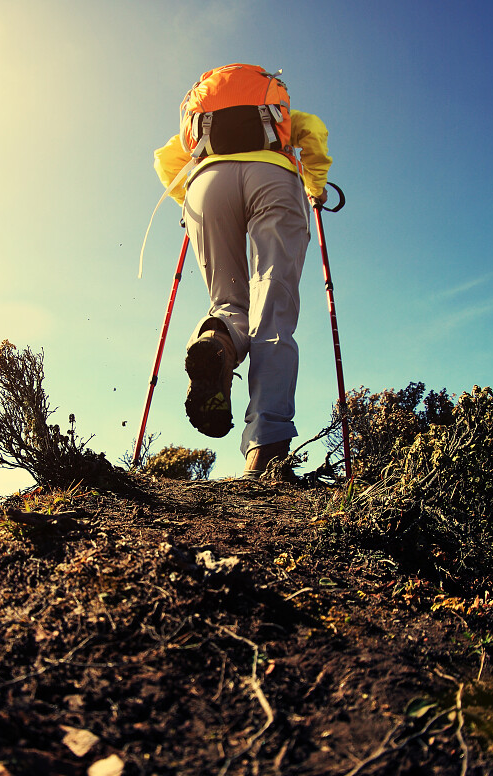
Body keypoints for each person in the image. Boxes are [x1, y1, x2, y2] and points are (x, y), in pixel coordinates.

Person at [154, 65, 331, 478]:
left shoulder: (198, 127)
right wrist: (315, 187)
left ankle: (218, 340)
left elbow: (165, 160)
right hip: (272, 177)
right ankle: (267, 450)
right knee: (274, 311)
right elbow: (315, 132)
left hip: (206, 183)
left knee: (229, 302)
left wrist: (187, 199)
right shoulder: (282, 116)